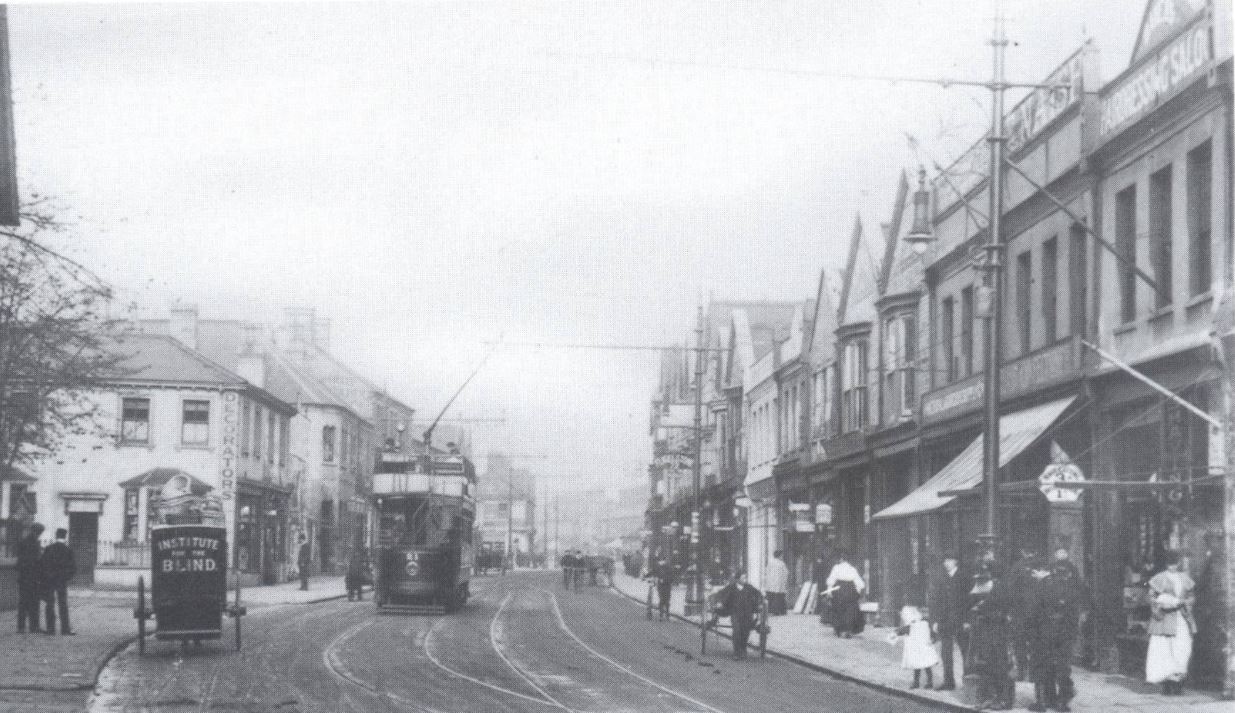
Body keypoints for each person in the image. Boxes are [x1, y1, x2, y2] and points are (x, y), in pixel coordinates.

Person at [1027, 548, 1085, 712]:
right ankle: (1062, 702)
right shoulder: (1074, 587)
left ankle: (1044, 701)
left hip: (1045, 631)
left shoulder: (1044, 585)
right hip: (1065, 632)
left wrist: (1031, 630)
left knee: (1043, 664)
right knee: (1062, 666)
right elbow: (1076, 612)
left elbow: (1034, 610)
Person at [967, 549, 1014, 711]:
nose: (987, 573)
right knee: (988, 664)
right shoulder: (996, 585)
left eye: (989, 570)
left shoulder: (1001, 586)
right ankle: (991, 697)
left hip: (997, 629)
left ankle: (1003, 700)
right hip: (989, 629)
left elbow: (997, 604)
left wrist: (980, 607)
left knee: (999, 665)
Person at [1145, 551, 1195, 696]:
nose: (1172, 566)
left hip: (1180, 617)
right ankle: (1167, 684)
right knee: (1165, 650)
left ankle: (1178, 682)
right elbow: (1151, 596)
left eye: (1174, 563)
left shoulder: (1184, 578)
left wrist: (1185, 602)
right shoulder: (1159, 578)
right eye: (1169, 563)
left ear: (1178, 563)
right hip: (1165, 619)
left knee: (1182, 648)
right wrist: (1160, 604)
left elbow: (1191, 596)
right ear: (1166, 564)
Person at [929, 553, 968, 691]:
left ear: (955, 561)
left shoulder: (964, 577)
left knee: (965, 651)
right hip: (945, 621)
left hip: (960, 620)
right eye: (945, 560)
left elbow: (969, 601)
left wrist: (967, 620)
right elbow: (936, 601)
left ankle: (967, 681)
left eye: (949, 560)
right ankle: (949, 681)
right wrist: (935, 621)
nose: (946, 563)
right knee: (946, 652)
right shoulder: (941, 578)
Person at [1009, 548, 1043, 680]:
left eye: (1030, 552)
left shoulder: (1036, 567)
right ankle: (1025, 671)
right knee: (1022, 642)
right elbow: (1011, 588)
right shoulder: (1019, 567)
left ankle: (1028, 672)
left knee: (1028, 642)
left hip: (1030, 612)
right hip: (1022, 611)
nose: (1029, 555)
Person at [714, 571, 763, 660]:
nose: (745, 580)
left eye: (746, 578)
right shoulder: (731, 587)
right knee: (736, 631)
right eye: (743, 578)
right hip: (735, 612)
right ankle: (736, 652)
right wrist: (720, 602)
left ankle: (743, 649)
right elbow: (720, 594)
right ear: (738, 579)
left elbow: (758, 594)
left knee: (746, 631)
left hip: (748, 613)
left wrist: (759, 603)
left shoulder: (749, 587)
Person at [893, 605, 939, 689]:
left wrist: (894, 634)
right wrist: (933, 640)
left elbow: (900, 631)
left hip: (917, 650)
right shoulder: (925, 623)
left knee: (917, 667)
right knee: (927, 665)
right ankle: (929, 682)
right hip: (925, 649)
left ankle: (916, 682)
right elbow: (933, 633)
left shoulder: (910, 626)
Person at [40, 528, 76, 635]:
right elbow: (73, 568)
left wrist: (47, 576)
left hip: (50, 580)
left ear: (56, 536)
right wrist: (66, 577)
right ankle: (65, 629)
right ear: (65, 536)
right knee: (63, 604)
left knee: (50, 604)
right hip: (62, 580)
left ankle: (50, 629)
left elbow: (42, 565)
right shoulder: (68, 550)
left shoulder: (49, 548)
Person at [825, 549, 865, 638]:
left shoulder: (836, 567)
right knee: (850, 611)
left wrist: (829, 591)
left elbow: (831, 580)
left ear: (841, 559)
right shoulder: (852, 569)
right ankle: (847, 629)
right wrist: (857, 592)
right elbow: (859, 583)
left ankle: (839, 629)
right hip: (850, 590)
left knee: (839, 610)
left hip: (839, 590)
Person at [15, 523, 44, 634]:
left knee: (24, 602)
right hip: (31, 577)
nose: (39, 535)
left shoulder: (24, 542)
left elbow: (19, 563)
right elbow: (34, 561)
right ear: (36, 532)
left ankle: (22, 627)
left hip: (25, 577)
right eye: (39, 532)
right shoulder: (32, 543)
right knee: (32, 603)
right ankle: (33, 626)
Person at [766, 550, 790, 616]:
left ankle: (771, 610)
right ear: (779, 556)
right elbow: (786, 573)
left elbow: (767, 571)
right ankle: (779, 610)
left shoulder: (770, 562)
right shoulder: (781, 563)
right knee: (779, 597)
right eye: (781, 555)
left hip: (771, 582)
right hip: (779, 582)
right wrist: (785, 581)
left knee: (771, 596)